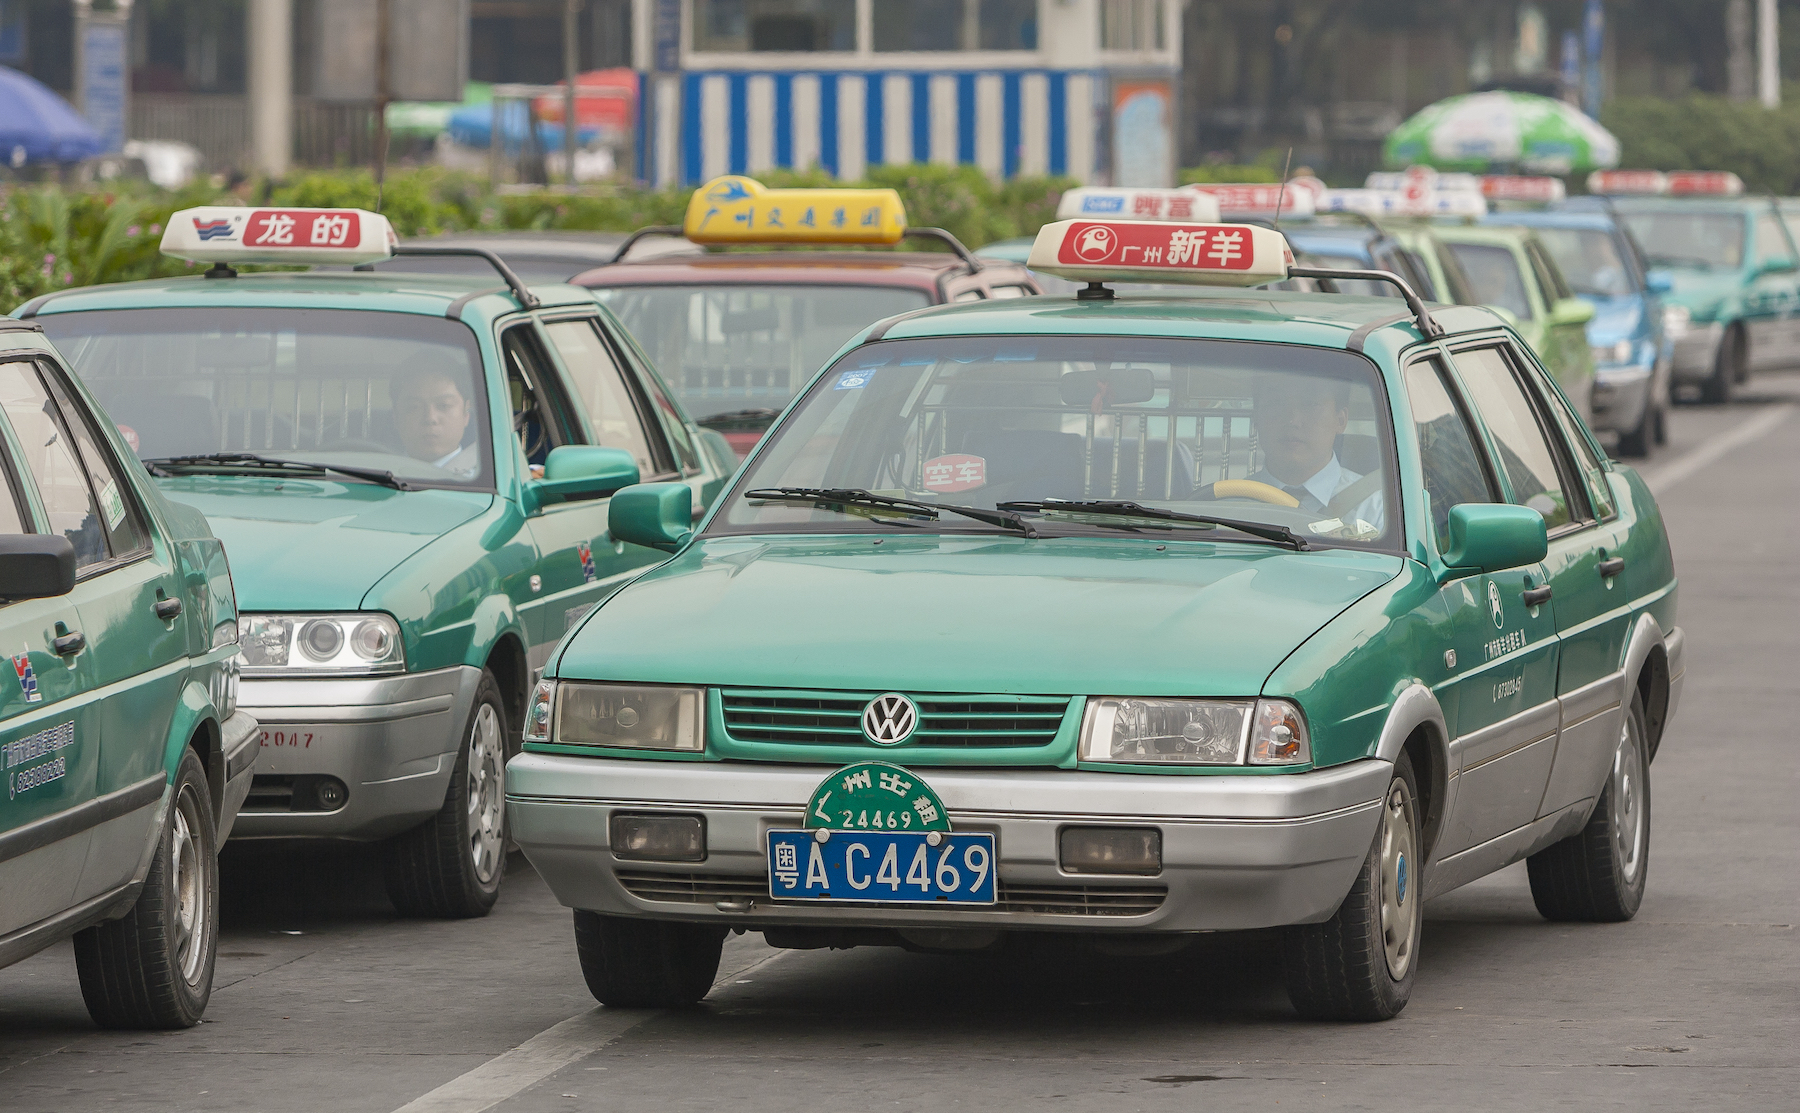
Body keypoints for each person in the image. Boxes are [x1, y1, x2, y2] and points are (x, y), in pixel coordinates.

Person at [1247, 372, 1385, 536]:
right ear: (1256, 419)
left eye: (1310, 404)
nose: (1293, 421)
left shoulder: (1379, 511)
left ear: (1340, 420)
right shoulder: (1228, 506)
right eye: (1276, 403)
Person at [394, 361, 480, 479]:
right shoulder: (373, 477)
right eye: (414, 407)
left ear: (466, 414)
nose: (430, 418)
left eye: (444, 405)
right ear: (396, 417)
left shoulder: (487, 481)